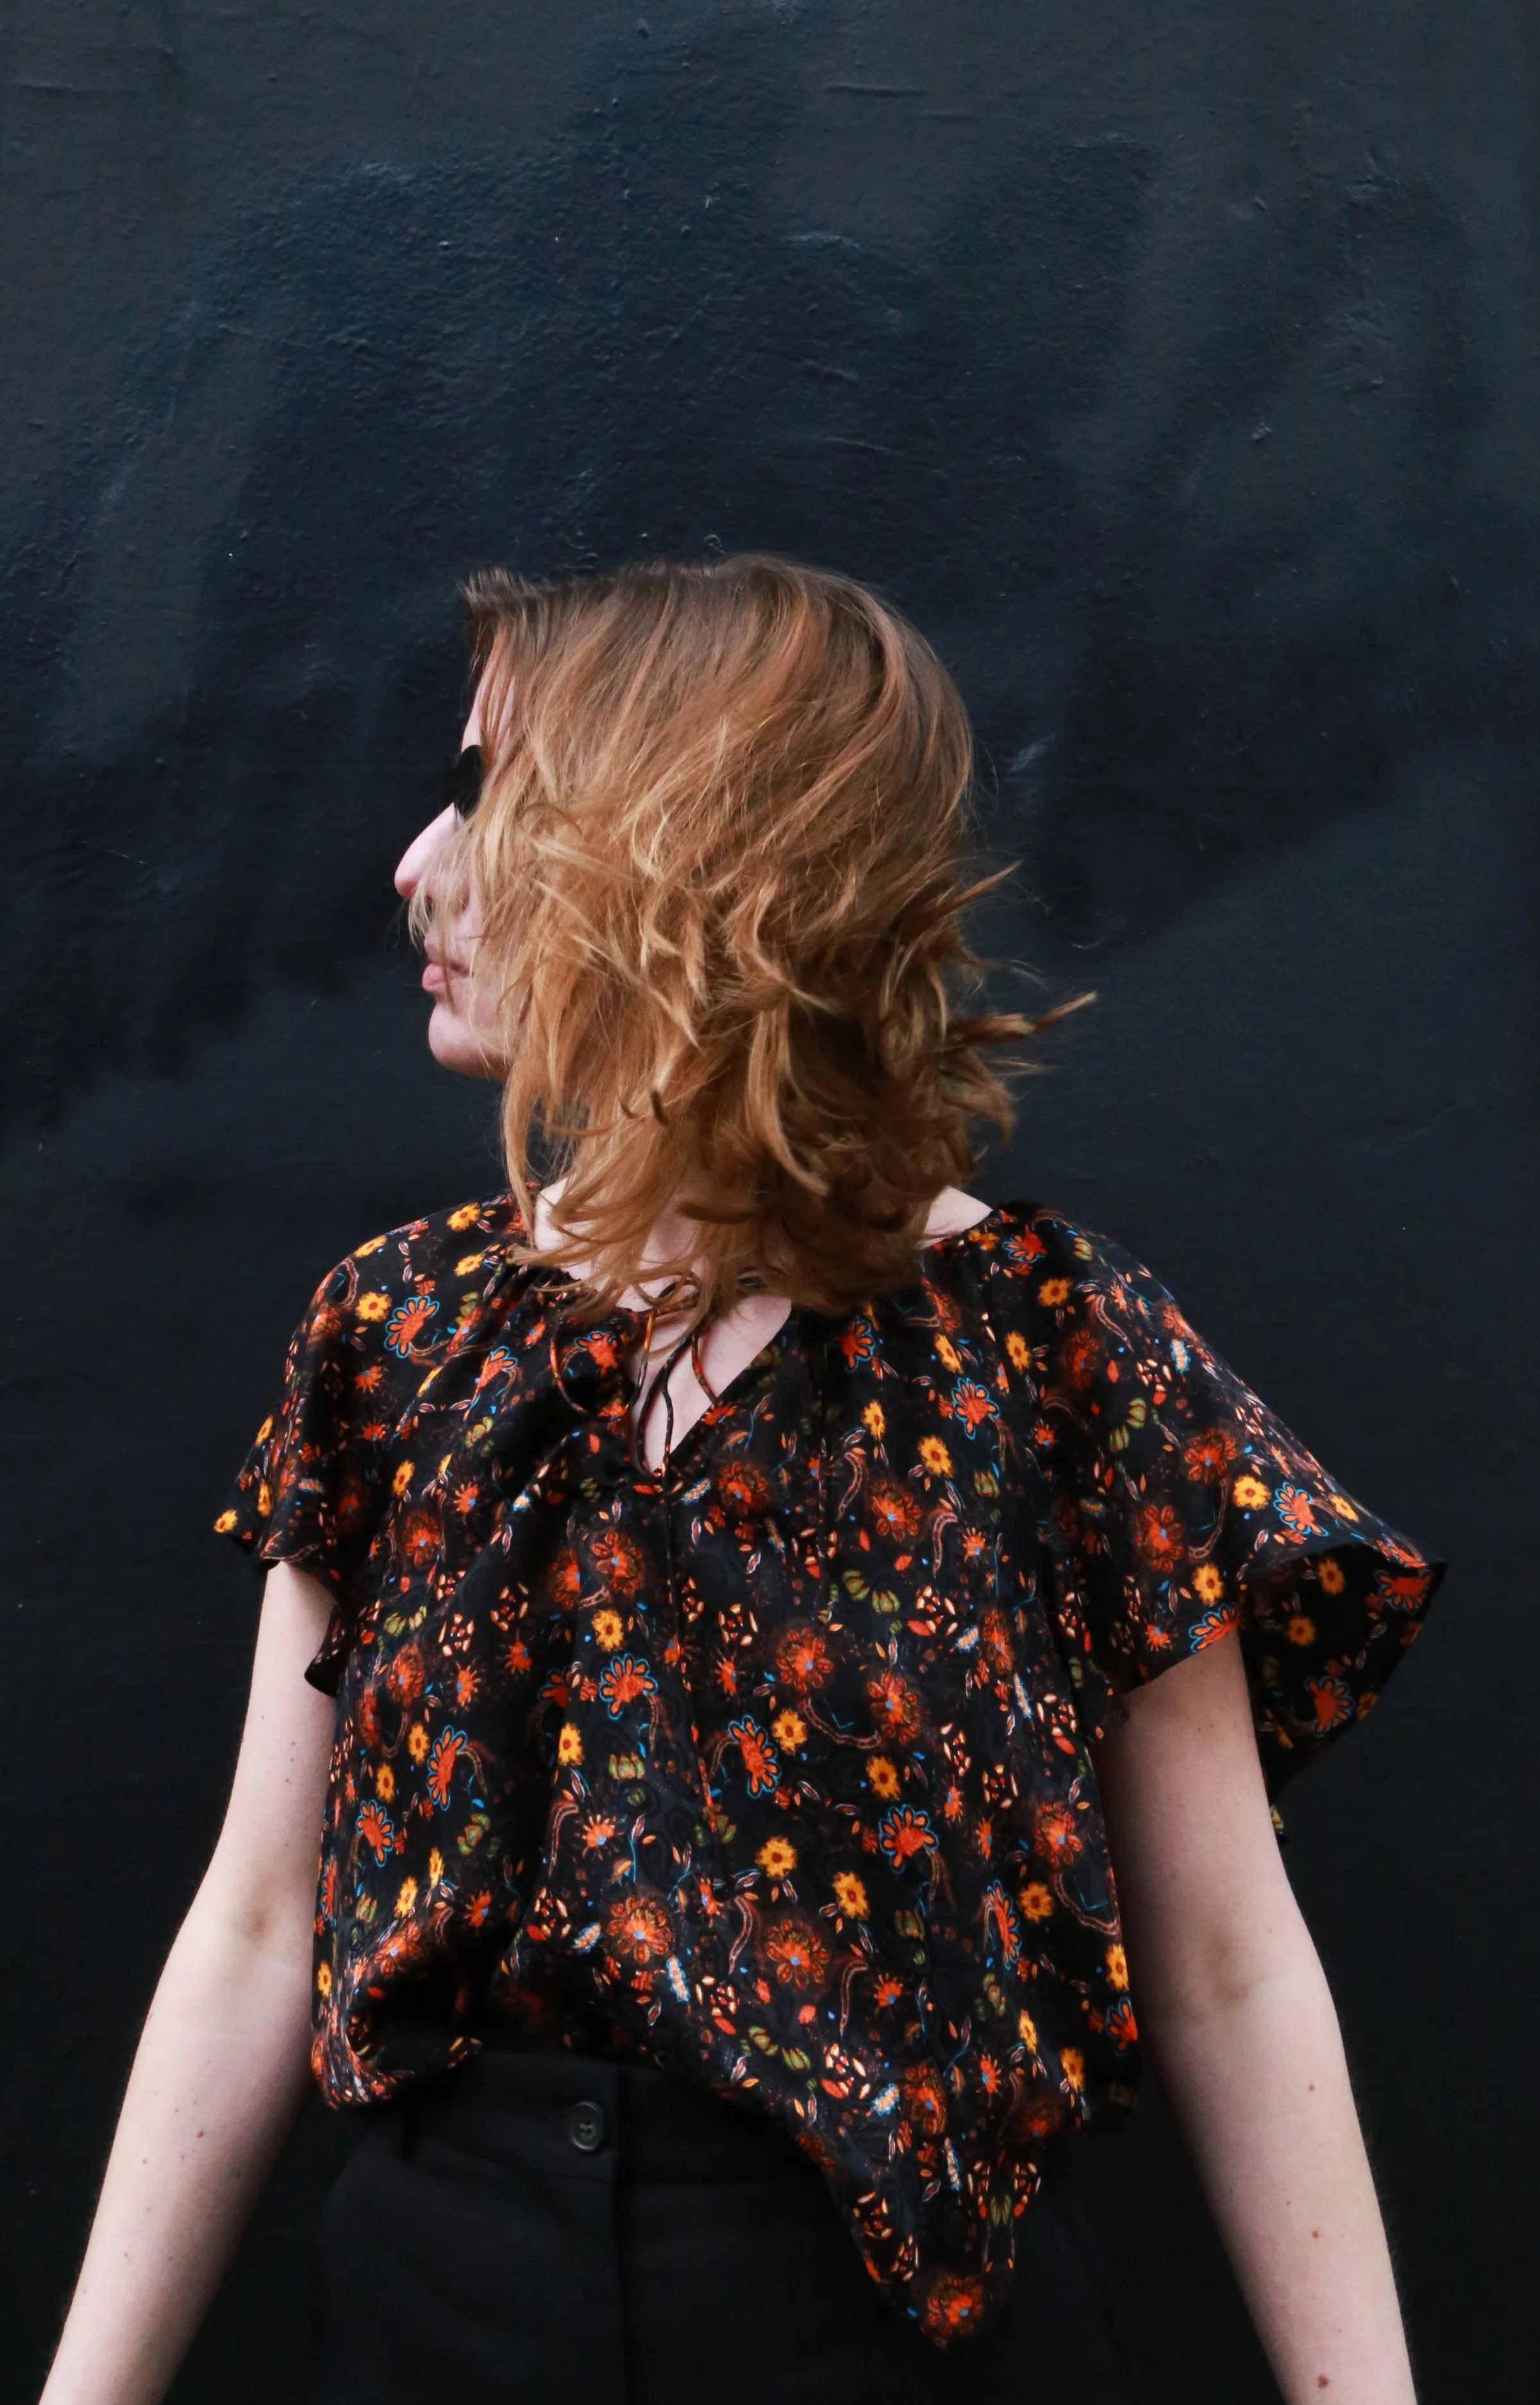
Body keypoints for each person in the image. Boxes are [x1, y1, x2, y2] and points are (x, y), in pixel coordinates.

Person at [40, 555, 1443, 2405]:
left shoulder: (1055, 1349)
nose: (415, 861)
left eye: (492, 796)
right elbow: (255, 1924)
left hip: (899, 2340)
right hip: (440, 2325)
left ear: (673, 851)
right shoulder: (392, 1335)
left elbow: (1222, 1961)